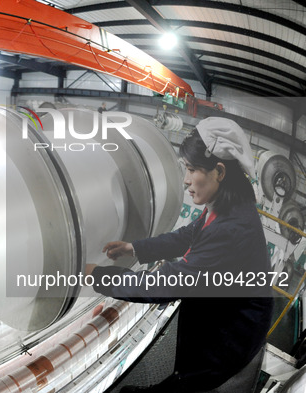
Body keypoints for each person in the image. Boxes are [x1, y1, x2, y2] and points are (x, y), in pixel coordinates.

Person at [87, 117, 273, 392]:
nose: (186, 180)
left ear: (219, 171)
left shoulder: (232, 227)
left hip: (230, 345)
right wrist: (136, 247)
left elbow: (165, 284)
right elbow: (188, 236)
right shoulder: (226, 204)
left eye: (192, 169)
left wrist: (98, 275)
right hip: (226, 320)